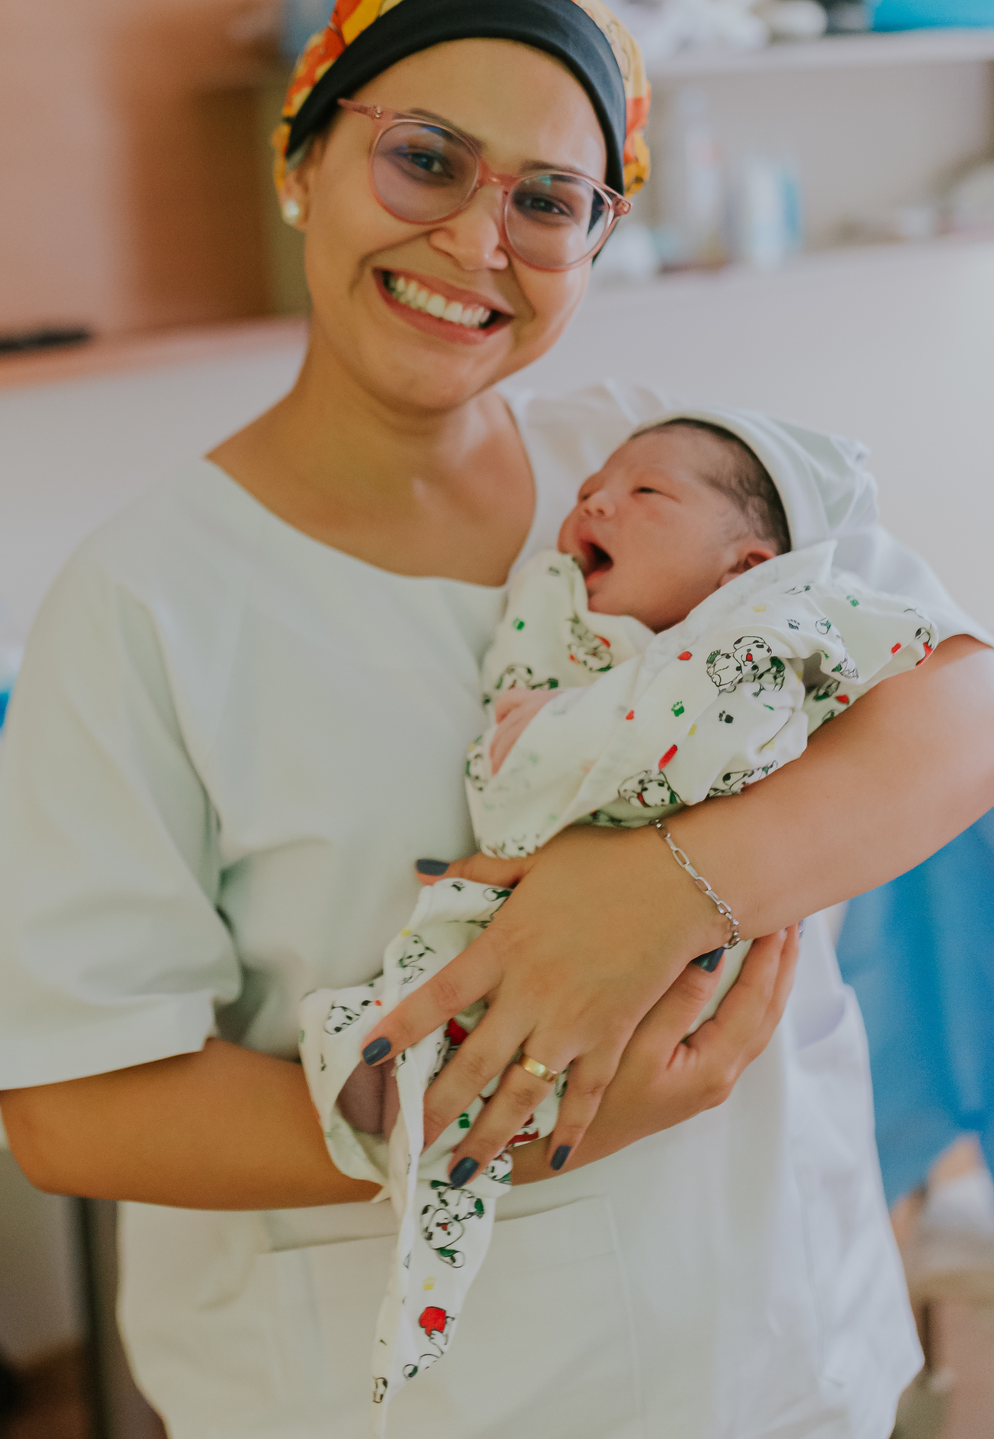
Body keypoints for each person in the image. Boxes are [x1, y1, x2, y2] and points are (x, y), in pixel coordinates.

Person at [0, 0, 994, 1439]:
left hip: (778, 1348)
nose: (477, 240)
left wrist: (663, 892)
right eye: (426, 160)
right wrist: (476, 1129)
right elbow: (74, 1107)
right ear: (300, 160)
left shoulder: (669, 464)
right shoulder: (148, 604)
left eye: (547, 199)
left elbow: (956, 704)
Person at [306, 411, 937, 1420]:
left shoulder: (756, 647)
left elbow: (682, 734)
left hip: (727, 1100)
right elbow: (510, 769)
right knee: (401, 1024)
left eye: (645, 495)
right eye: (593, 487)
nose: (595, 499)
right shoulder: (574, 639)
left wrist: (552, 757)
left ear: (746, 566)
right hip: (541, 989)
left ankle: (432, 1134)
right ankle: (415, 1128)